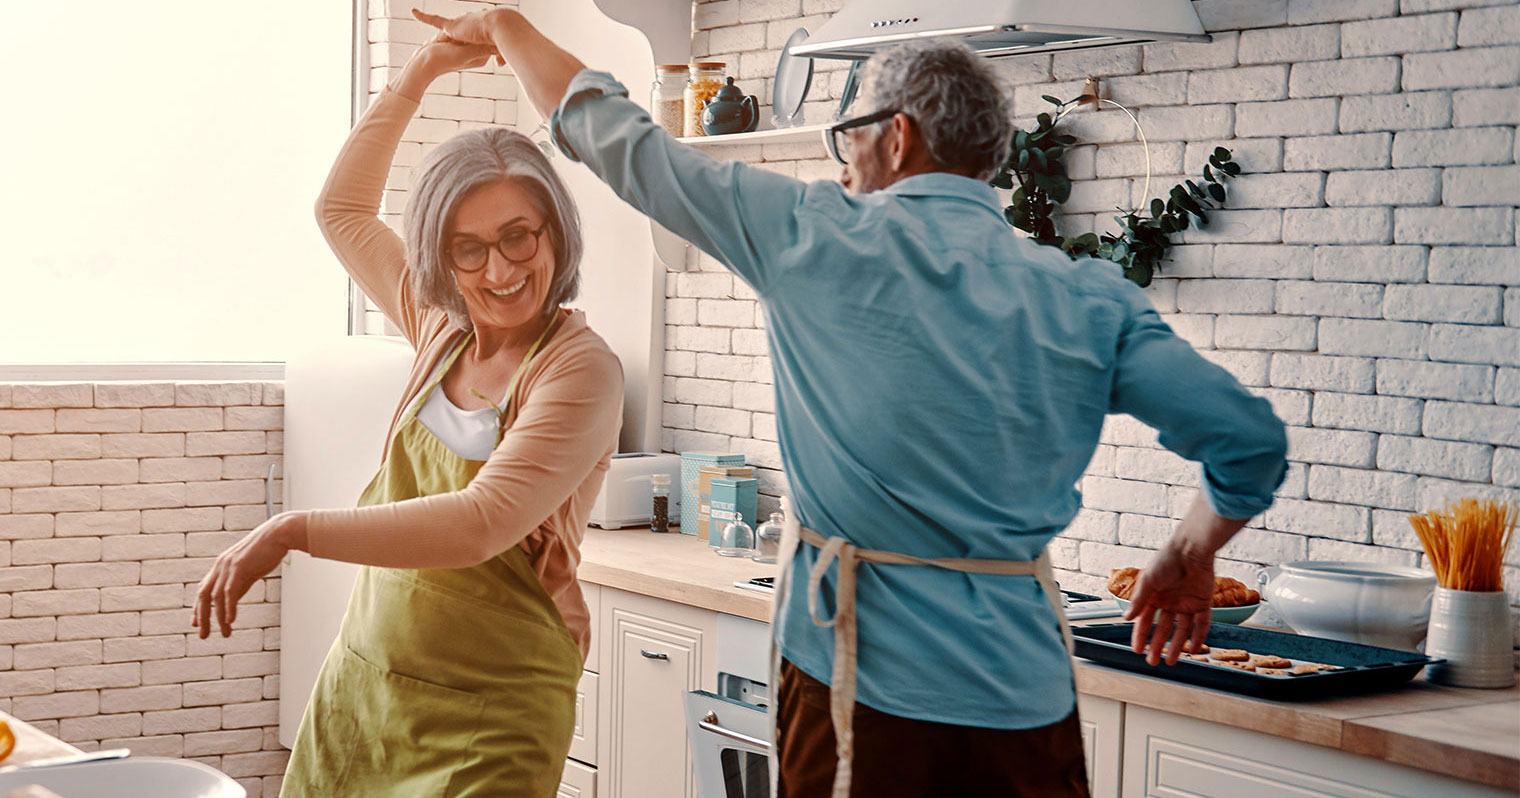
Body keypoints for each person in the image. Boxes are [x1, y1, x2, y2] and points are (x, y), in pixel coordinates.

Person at [415, 9, 1289, 797]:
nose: (843, 162)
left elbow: (615, 138)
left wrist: (505, 26)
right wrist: (1187, 554)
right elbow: (1250, 444)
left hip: (858, 692)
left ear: (896, 138)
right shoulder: (1088, 297)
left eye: (851, 135)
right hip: (1028, 700)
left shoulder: (810, 235)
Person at [187, 33, 624, 797]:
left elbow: (480, 521)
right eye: (468, 249)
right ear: (439, 258)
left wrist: (293, 529)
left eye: (519, 236)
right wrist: (421, 69)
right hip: (367, 688)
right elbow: (342, 209)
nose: (501, 270)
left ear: (554, 231)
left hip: (492, 718)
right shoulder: (440, 329)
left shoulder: (578, 368)